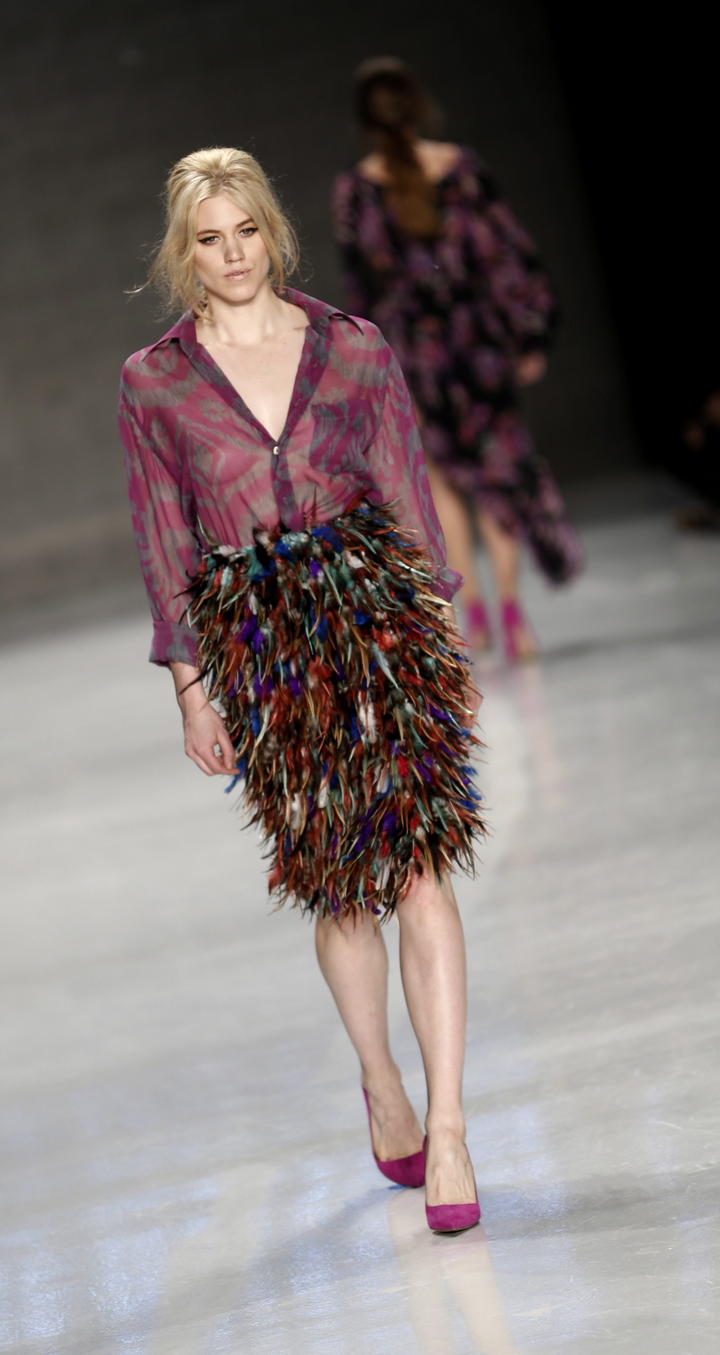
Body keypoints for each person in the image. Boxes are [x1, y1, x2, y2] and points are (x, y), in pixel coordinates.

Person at [118, 147, 487, 1233]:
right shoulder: (156, 381)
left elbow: (408, 495)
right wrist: (190, 687)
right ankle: (381, 1079)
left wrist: (447, 644)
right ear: (184, 253)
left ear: (272, 231)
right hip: (264, 645)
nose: (232, 254)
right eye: (209, 238)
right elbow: (163, 535)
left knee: (420, 866)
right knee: (338, 886)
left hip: (380, 618)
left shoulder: (352, 347)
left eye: (246, 231)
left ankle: (451, 1127)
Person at [332, 57, 583, 660]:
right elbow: (509, 255)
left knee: (442, 490)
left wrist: (367, 375)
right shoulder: (462, 170)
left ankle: (472, 617)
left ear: (364, 120)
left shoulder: (356, 192)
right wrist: (531, 336)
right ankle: (513, 616)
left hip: (414, 361)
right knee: (498, 481)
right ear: (418, 106)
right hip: (479, 354)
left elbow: (360, 295)